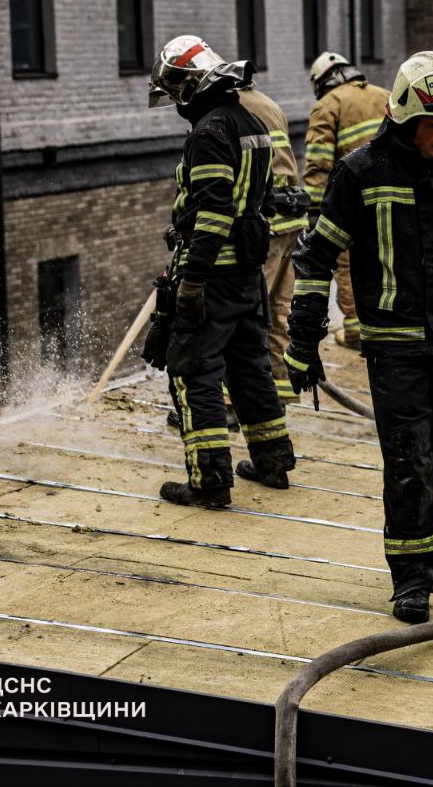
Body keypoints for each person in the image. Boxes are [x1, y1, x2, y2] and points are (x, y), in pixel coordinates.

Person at [285, 51, 433, 624]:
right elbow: (317, 259)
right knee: (410, 459)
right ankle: (411, 579)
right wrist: (302, 342)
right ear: (405, 116)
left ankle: (411, 520)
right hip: (394, 347)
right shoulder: (360, 174)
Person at [145, 35, 298, 508]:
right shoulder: (249, 121)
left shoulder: (210, 131)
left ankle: (209, 481)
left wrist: (191, 279)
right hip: (247, 276)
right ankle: (272, 462)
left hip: (212, 277)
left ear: (189, 86)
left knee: (194, 373)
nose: (173, 104)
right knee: (250, 368)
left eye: (173, 93)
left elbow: (212, 213)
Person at [303, 51, 391, 350]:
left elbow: (319, 164)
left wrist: (314, 214)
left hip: (353, 204)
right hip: (395, 200)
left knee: (348, 263)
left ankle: (357, 331)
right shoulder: (385, 95)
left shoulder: (327, 105)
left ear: (321, 81)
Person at [237, 85, 311, 405]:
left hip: (263, 228)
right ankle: (280, 393)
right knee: (280, 313)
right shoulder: (270, 103)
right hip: (292, 222)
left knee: (245, 315)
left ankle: (230, 400)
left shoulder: (227, 112)